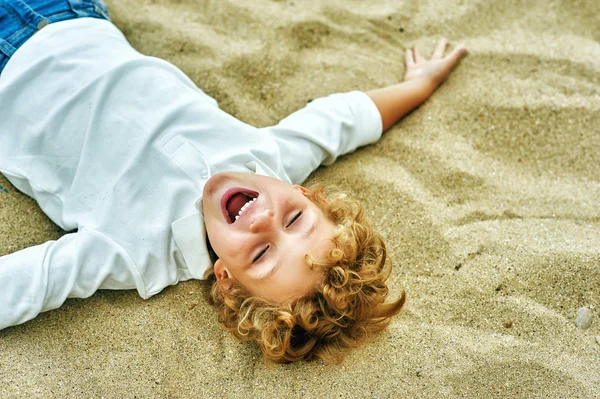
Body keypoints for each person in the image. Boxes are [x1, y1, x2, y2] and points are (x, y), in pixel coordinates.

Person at [0, 0, 467, 362]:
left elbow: (36, 281)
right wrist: (418, 86)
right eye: (295, 217)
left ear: (227, 280)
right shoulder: (269, 159)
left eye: (262, 253)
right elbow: (340, 122)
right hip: (70, 16)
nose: (264, 218)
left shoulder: (137, 254)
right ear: (306, 193)